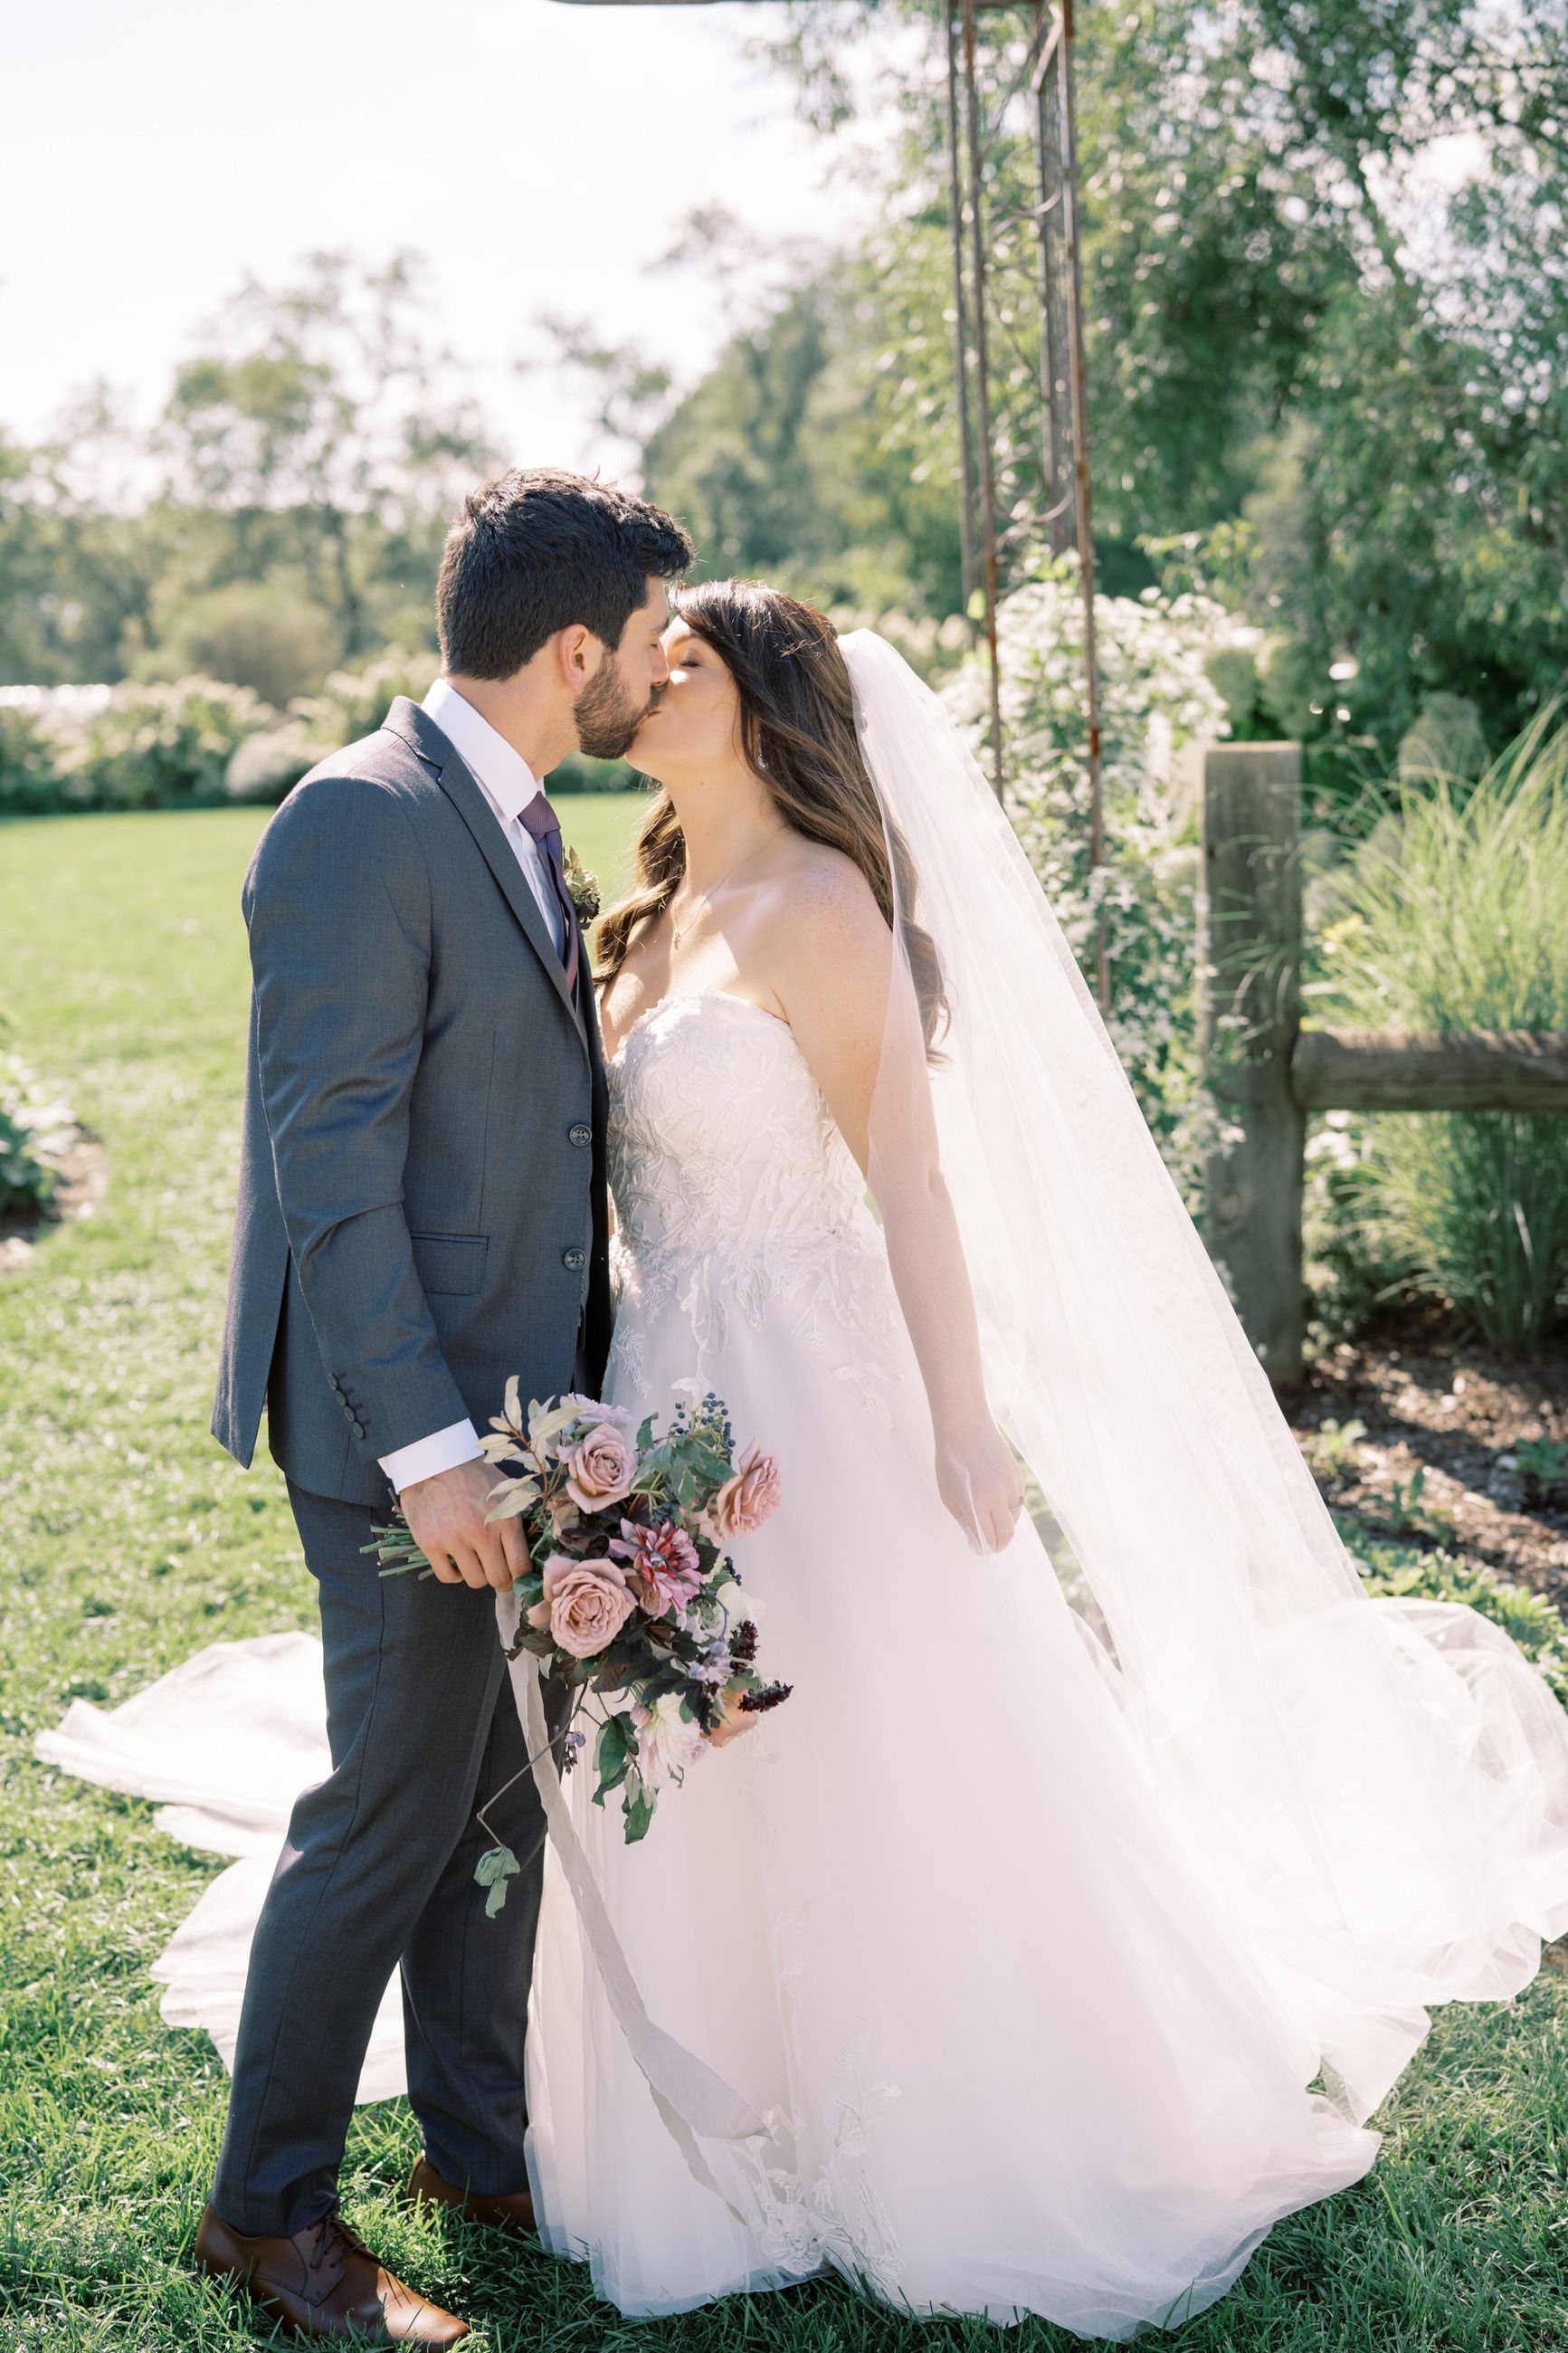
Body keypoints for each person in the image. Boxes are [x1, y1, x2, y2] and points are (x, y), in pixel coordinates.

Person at [40, 573, 1568, 2344]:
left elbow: (906, 1181)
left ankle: (932, 2107)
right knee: (669, 1757)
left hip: (807, 1387)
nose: (642, 680)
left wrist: (961, 1415)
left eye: (680, 664)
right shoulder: (643, 908)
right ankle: (672, 2104)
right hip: (656, 1390)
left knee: (857, 1740)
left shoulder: (823, 902)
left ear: (762, 705)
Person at [195, 467, 689, 2343]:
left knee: (505, 1800)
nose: (657, 667)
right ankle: (266, 2212)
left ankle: (474, 2148)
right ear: (578, 647)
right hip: (407, 1438)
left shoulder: (517, 813)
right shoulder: (359, 819)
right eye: (647, 638)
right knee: (388, 1814)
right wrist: (427, 1459)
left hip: (525, 1420)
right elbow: (328, 1169)